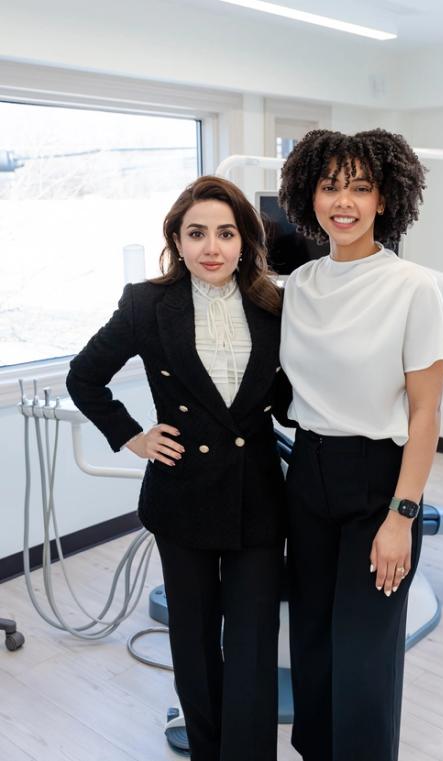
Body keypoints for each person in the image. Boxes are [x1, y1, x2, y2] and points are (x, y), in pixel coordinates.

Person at [66, 175, 287, 761]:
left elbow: (290, 397)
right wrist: (133, 437)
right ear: (177, 239)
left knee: (253, 642)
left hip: (258, 496)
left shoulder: (275, 305)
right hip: (183, 495)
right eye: (196, 233)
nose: (211, 247)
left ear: (245, 241)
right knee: (192, 640)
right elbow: (83, 377)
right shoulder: (146, 304)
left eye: (225, 233)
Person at [277, 129, 443, 761]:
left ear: (385, 198)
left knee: (365, 653)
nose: (342, 201)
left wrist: (401, 517)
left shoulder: (412, 287)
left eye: (359, 187)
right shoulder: (299, 285)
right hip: (308, 473)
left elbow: (427, 411)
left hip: (380, 479)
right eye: (329, 187)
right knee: (315, 645)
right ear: (308, 196)